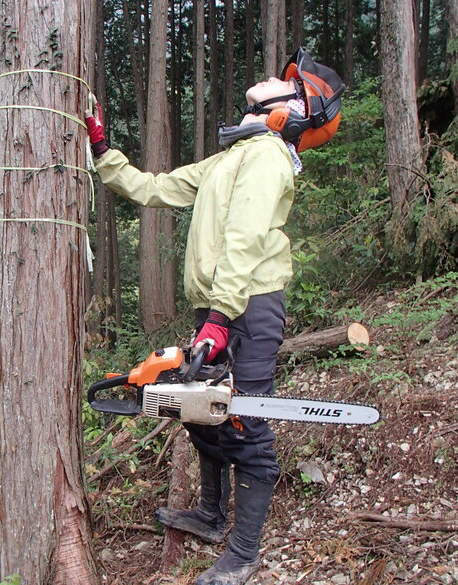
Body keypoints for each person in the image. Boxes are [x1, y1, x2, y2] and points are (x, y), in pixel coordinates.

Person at [85, 48, 345, 585]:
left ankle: (244, 552)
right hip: (221, 309)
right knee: (201, 410)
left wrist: (221, 318)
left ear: (292, 110)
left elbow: (246, 240)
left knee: (246, 425)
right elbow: (153, 187)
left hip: (246, 309)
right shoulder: (230, 158)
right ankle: (208, 514)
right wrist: (102, 148)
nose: (270, 76)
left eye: (285, 81)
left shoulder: (269, 156)